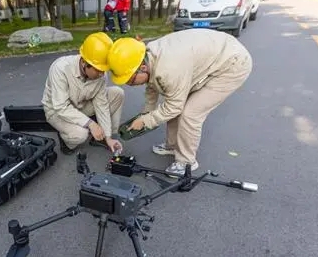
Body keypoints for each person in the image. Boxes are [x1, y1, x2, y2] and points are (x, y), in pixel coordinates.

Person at [106, 29, 253, 175]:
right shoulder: (146, 56)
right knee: (175, 102)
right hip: (213, 55)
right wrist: (146, 112)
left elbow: (174, 106)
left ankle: (186, 162)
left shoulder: (169, 69)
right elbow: (152, 85)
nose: (130, 84)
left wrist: (146, 121)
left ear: (142, 68)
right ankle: (173, 146)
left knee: (190, 113)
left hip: (231, 64)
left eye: (130, 79)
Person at [42, 32, 125, 155]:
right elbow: (60, 107)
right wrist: (90, 123)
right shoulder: (60, 68)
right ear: (85, 63)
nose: (102, 74)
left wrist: (107, 136)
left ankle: (102, 138)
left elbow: (102, 105)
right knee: (80, 135)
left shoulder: (100, 75)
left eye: (104, 70)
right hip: (56, 111)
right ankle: (67, 142)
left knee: (118, 93)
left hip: (81, 105)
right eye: (99, 70)